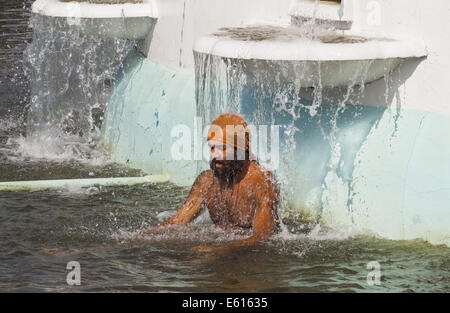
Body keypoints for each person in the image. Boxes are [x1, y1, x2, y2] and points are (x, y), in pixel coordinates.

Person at [160, 114, 280, 253]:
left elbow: (263, 237)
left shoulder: (262, 183)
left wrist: (218, 251)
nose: (214, 155)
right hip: (217, 250)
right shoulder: (207, 181)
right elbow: (176, 223)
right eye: (212, 148)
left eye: (222, 149)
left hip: (251, 259)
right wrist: (135, 238)